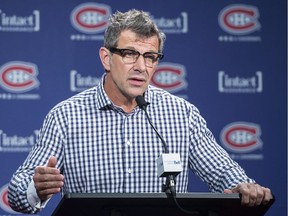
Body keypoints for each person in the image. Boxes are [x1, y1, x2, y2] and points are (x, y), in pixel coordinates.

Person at [8, 9, 272, 214]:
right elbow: (17, 193)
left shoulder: (181, 114)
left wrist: (242, 186)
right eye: (129, 54)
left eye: (150, 57)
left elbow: (224, 172)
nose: (141, 67)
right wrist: (37, 188)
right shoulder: (66, 117)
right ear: (106, 58)